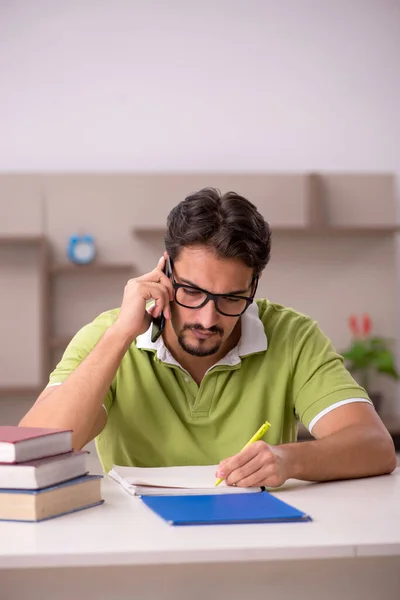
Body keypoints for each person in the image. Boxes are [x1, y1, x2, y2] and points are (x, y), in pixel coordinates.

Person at [20, 188, 396, 487]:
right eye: (192, 291)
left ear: (254, 286)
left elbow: (376, 447)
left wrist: (288, 459)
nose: (207, 318)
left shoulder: (292, 336)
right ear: (164, 271)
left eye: (231, 298)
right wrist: (121, 336)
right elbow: (35, 450)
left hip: (255, 541)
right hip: (138, 544)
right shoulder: (109, 335)